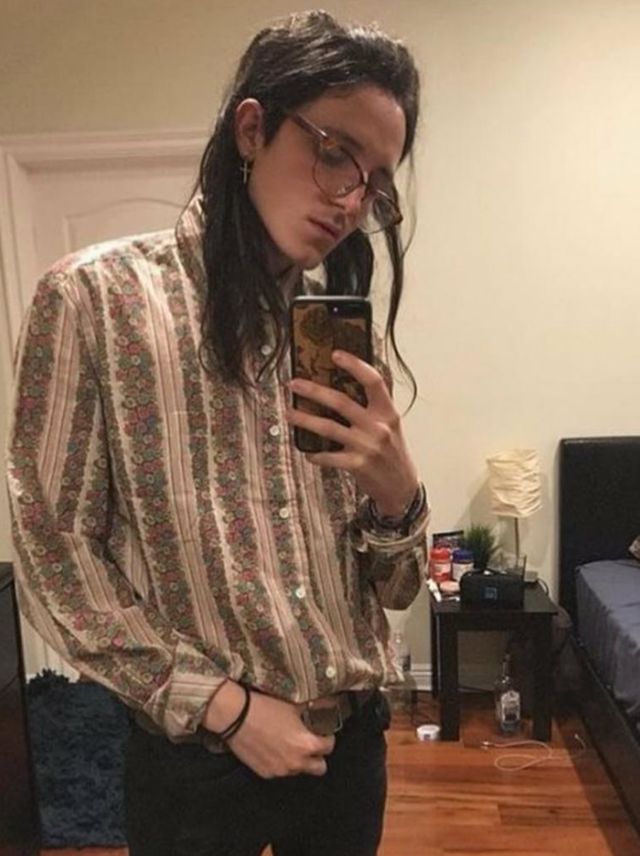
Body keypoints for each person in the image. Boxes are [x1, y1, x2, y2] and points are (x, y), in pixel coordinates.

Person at [7, 10, 428, 856]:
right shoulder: (95, 301)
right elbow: (54, 550)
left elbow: (396, 590)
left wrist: (398, 494)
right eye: (336, 151)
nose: (352, 200)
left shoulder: (336, 336)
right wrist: (227, 710)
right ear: (252, 128)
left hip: (350, 749)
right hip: (197, 765)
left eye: (377, 181)